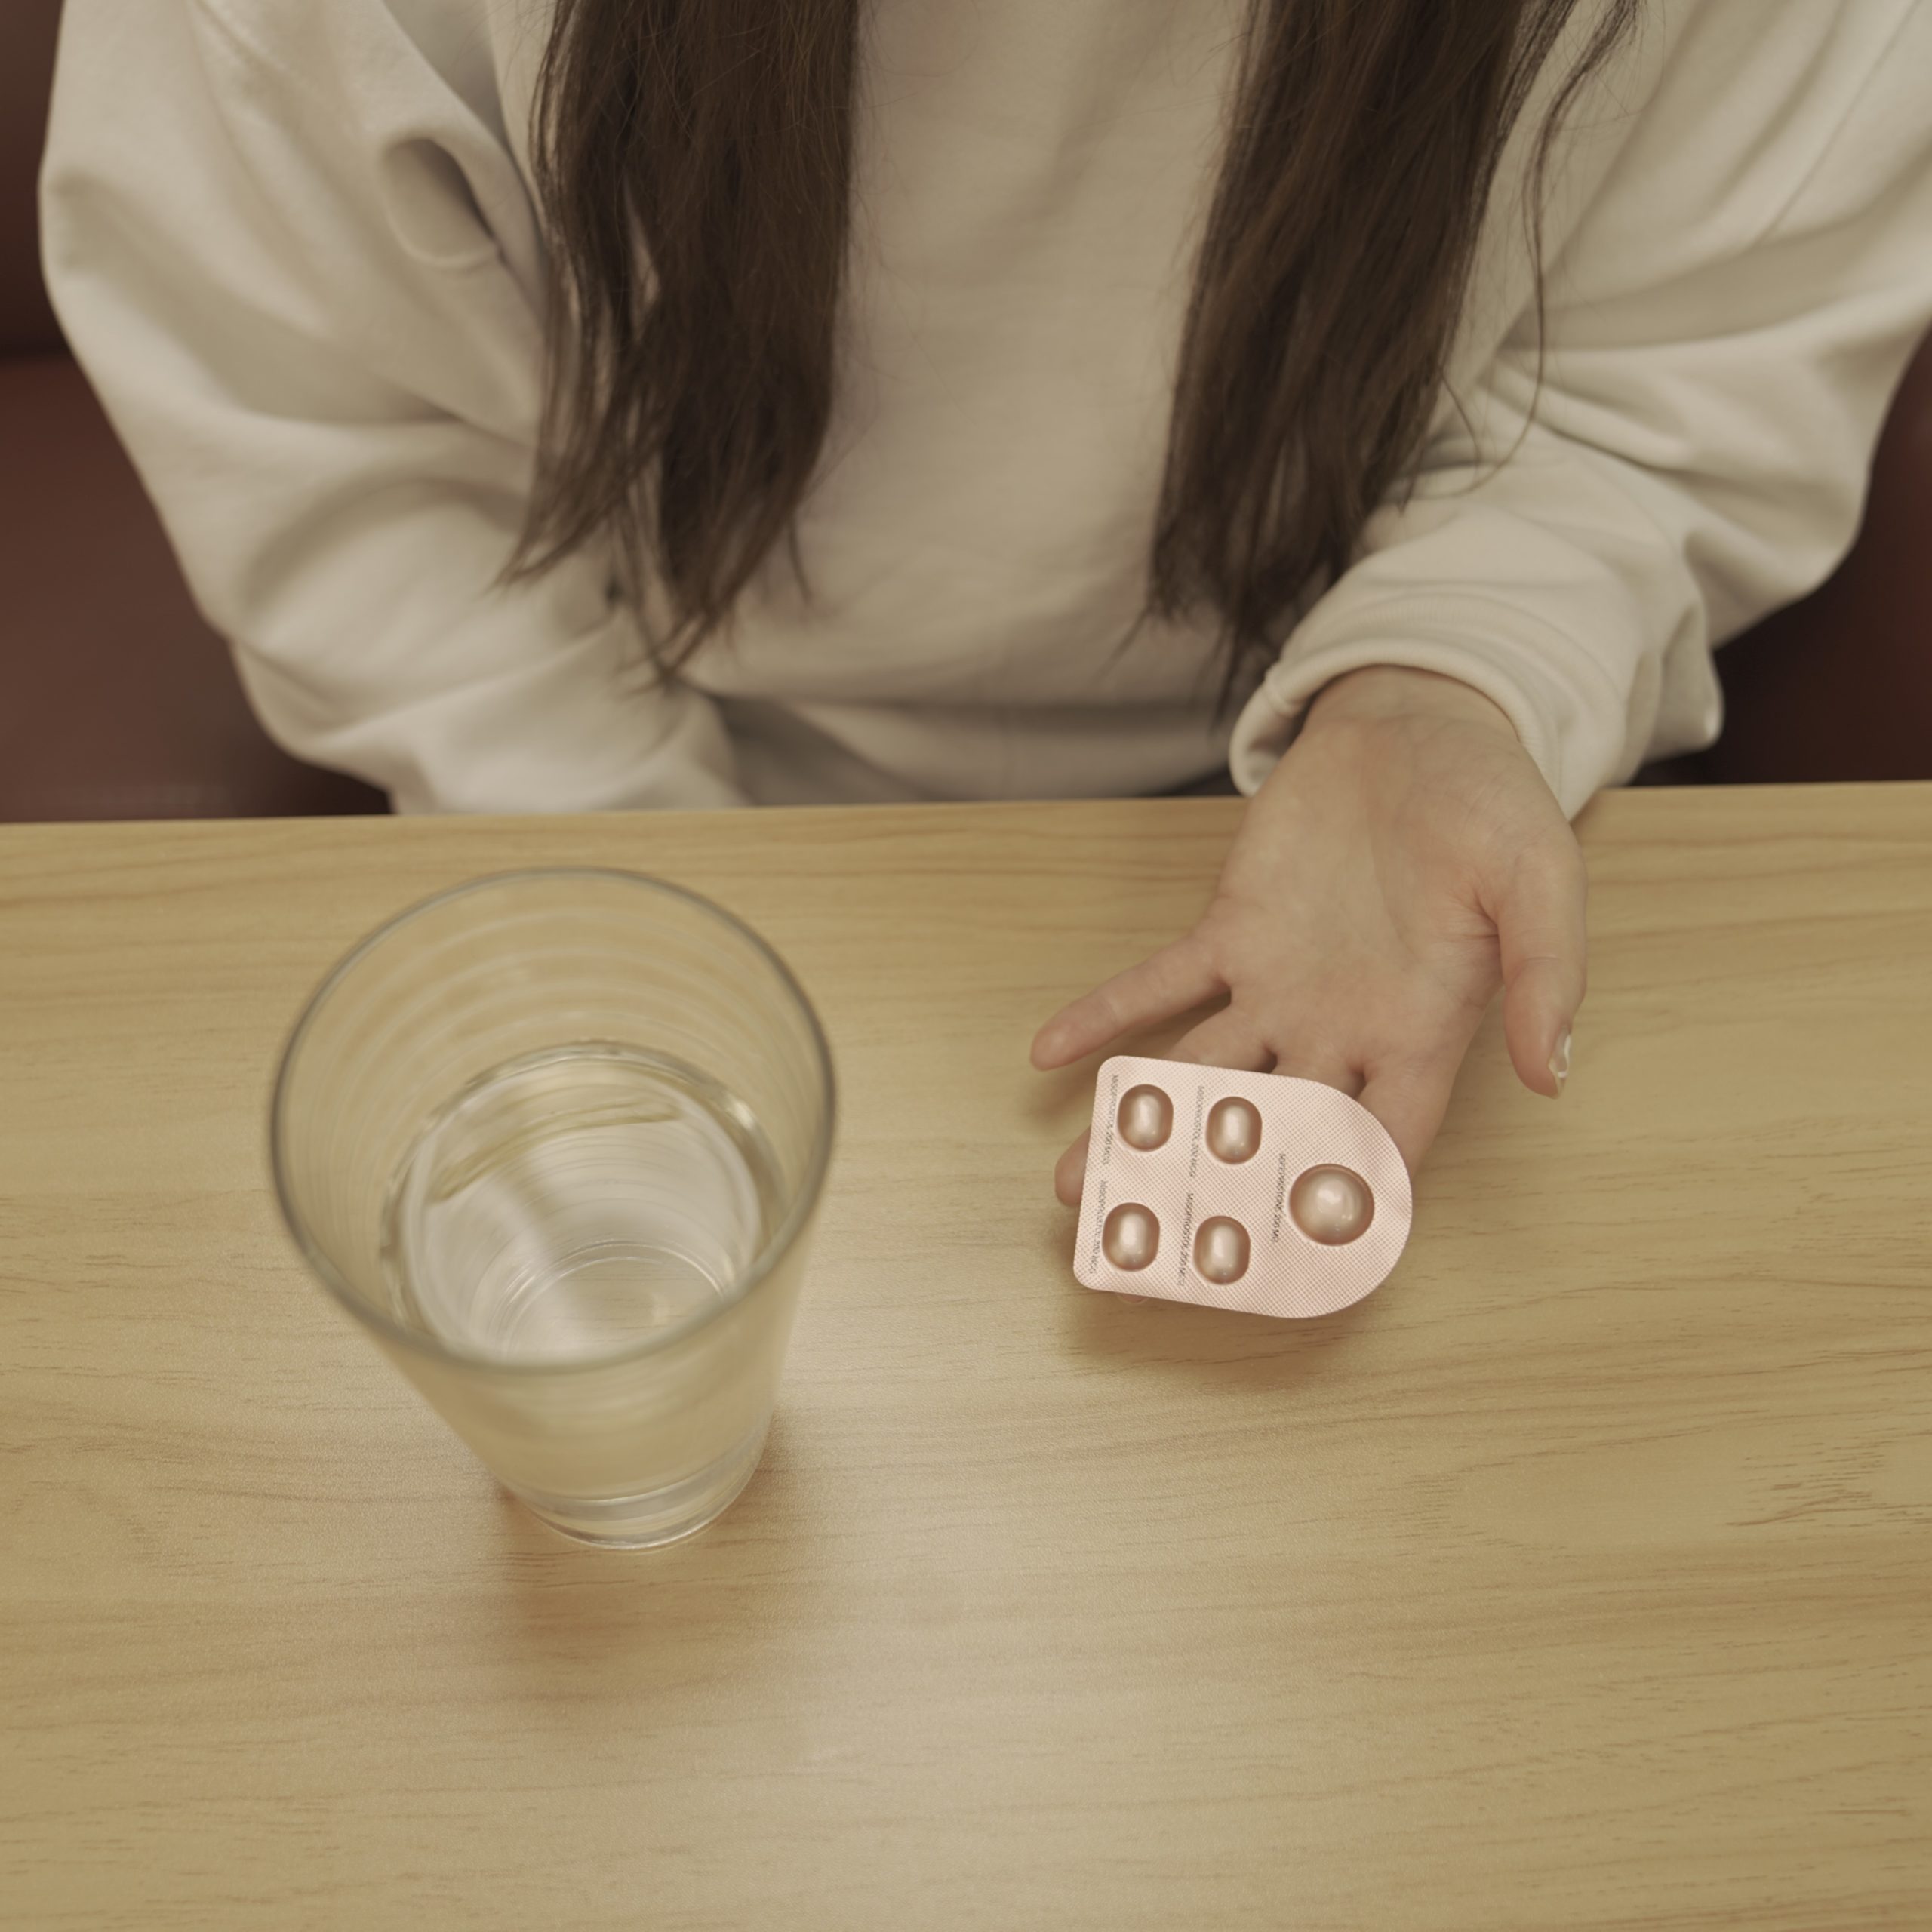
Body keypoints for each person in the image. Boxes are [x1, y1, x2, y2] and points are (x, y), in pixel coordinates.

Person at [42, 0, 1932, 1202]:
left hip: (1339, 770)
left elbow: (1682, 357)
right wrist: (633, 873)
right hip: (636, 764)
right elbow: (328, 426)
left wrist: (1447, 674)